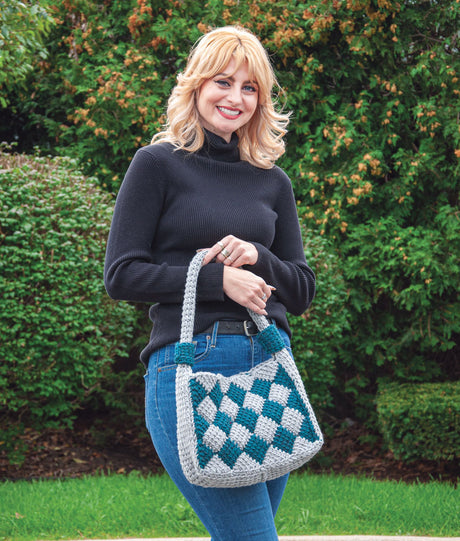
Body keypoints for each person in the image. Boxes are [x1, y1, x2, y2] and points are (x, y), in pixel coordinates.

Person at [104, 25, 315, 541]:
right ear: (196, 85)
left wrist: (259, 257)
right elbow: (122, 275)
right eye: (223, 82)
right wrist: (219, 280)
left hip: (270, 367)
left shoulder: (273, 180)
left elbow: (302, 290)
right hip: (193, 363)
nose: (235, 98)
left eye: (250, 88)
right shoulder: (156, 164)